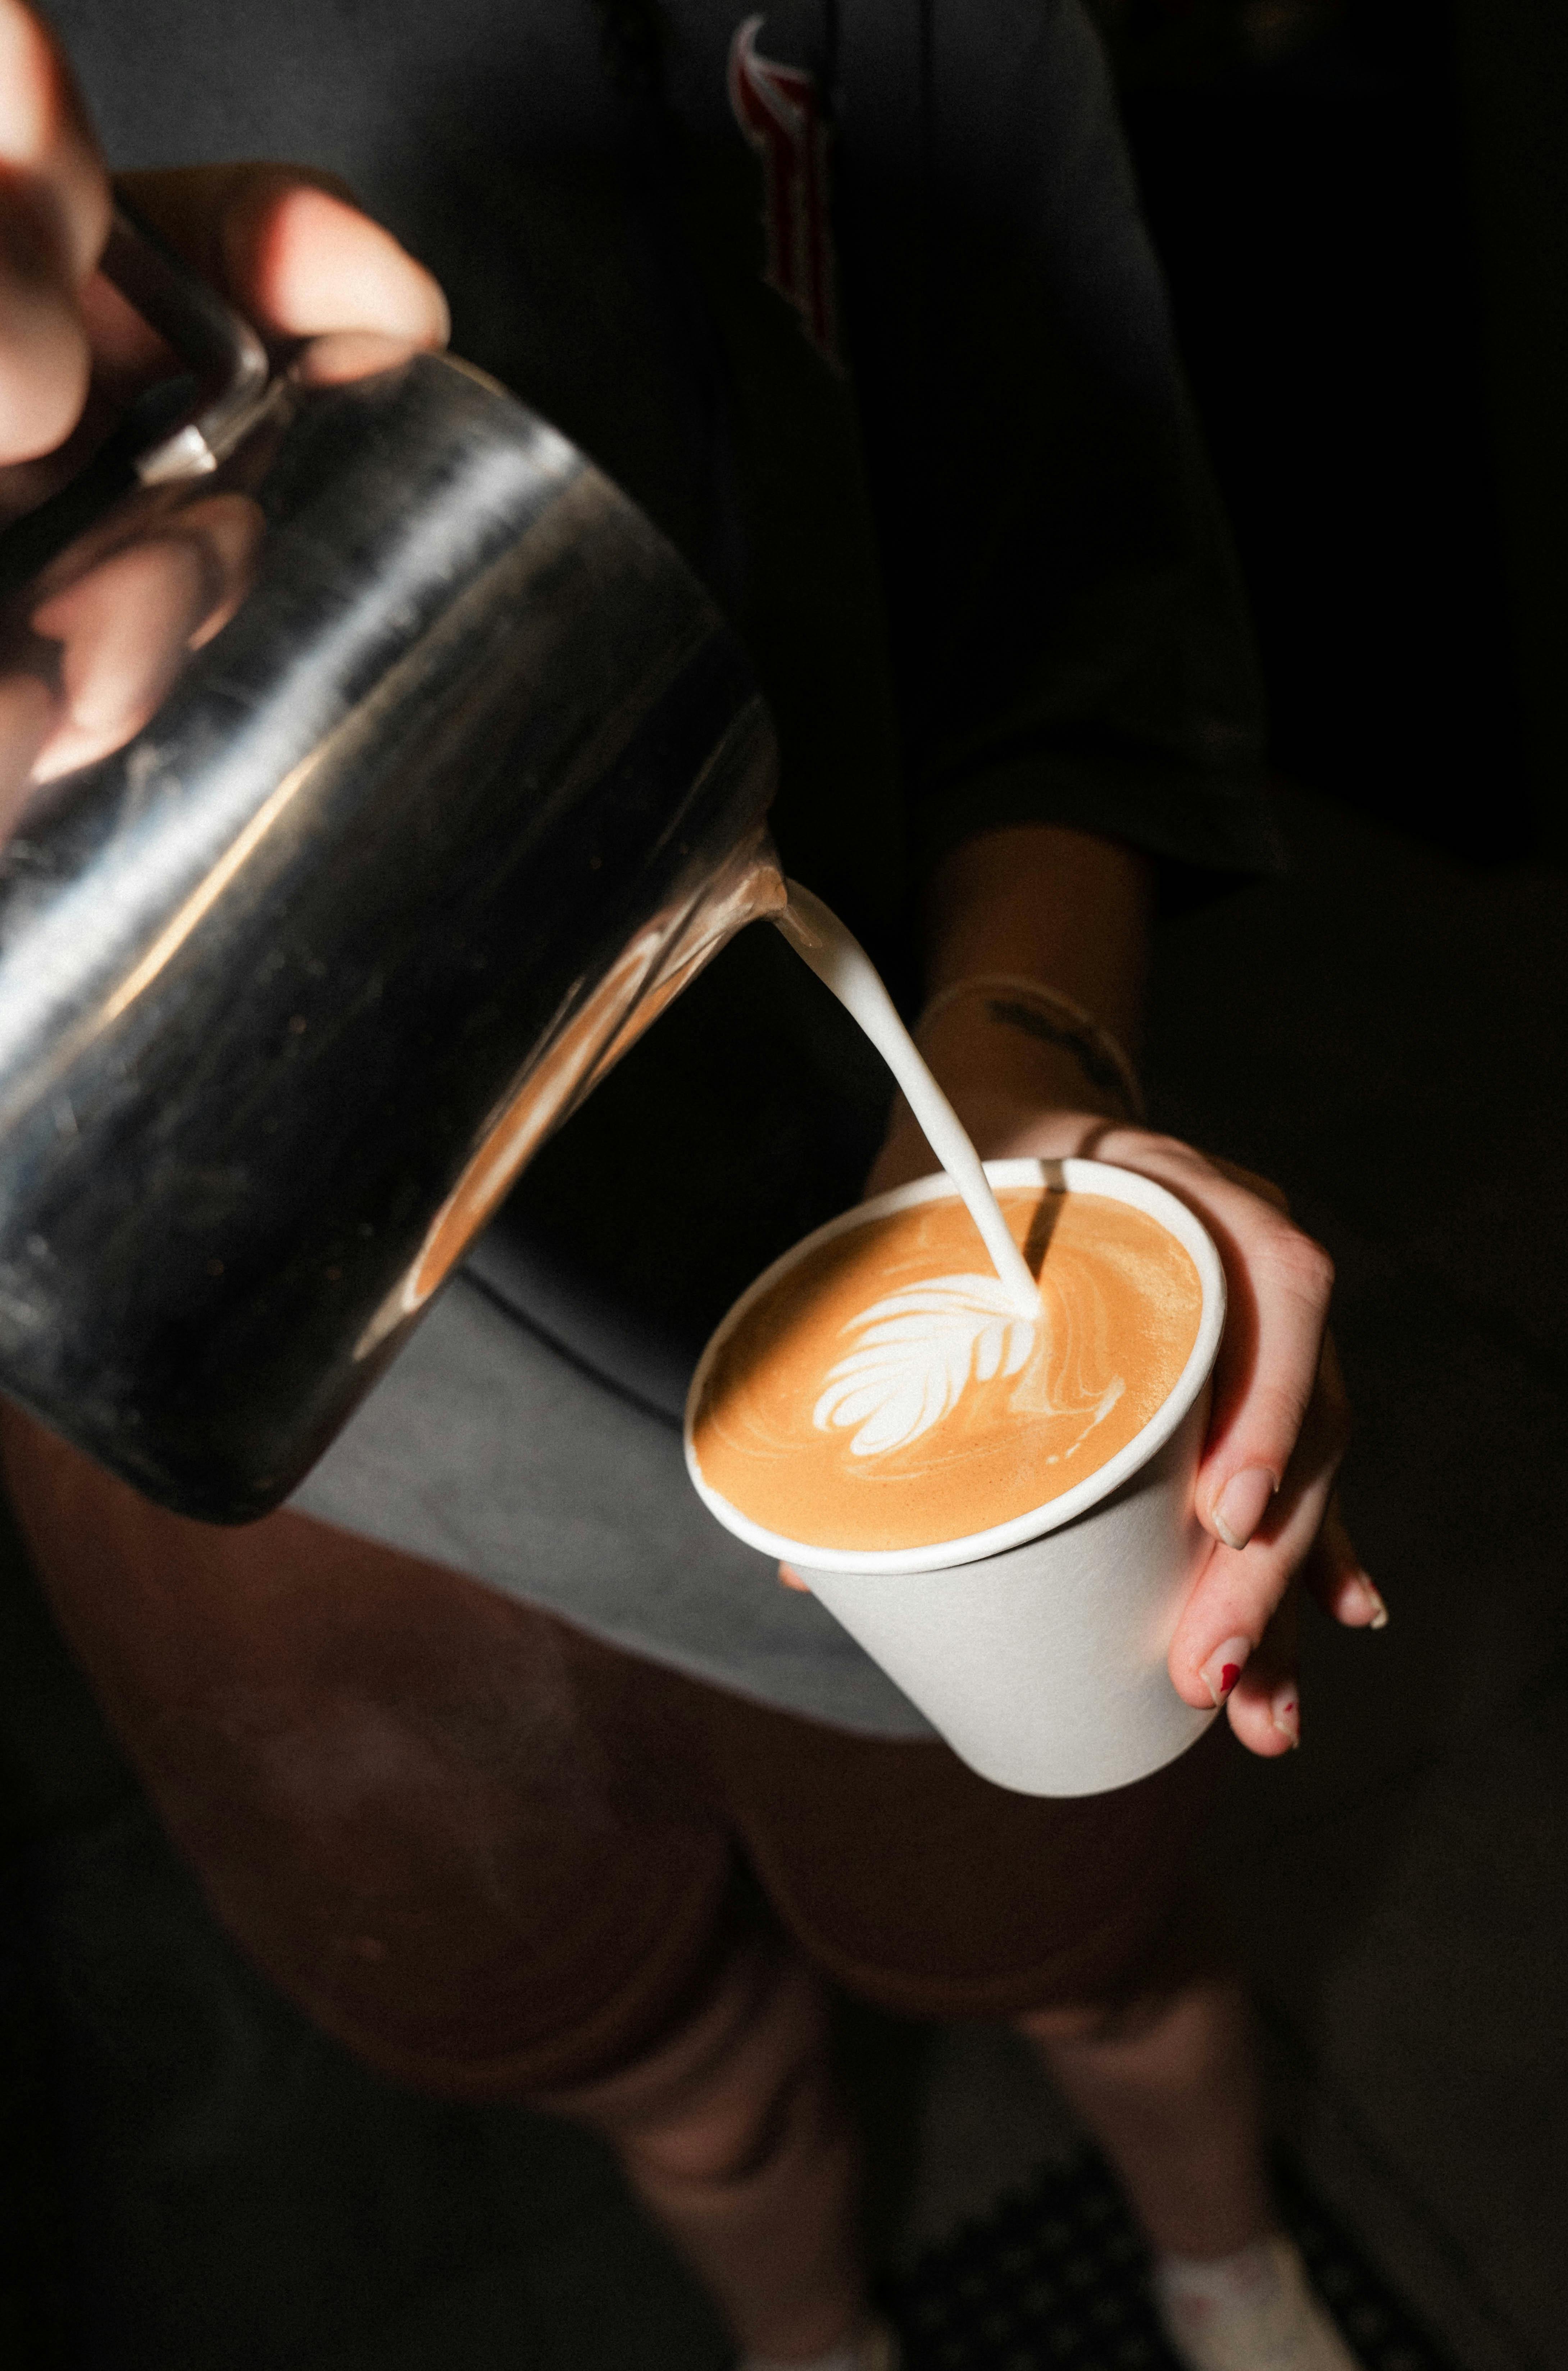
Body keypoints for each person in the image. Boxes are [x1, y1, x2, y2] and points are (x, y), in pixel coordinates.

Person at [0, 4, 1382, 2366]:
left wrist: (1026, 1077)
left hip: (842, 1225)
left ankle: (1225, 2273)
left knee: (1097, 1961)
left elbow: (1075, 608)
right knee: (677, 2080)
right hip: (251, 1397)